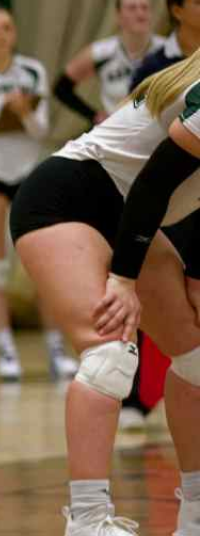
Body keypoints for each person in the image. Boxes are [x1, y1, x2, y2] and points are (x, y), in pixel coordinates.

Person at [10, 50, 200, 536]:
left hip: (130, 211)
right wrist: (123, 277)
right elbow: (157, 180)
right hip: (68, 199)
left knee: (196, 358)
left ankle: (197, 517)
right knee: (111, 353)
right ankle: (87, 526)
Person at [0, 5, 77, 381]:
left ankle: (56, 347)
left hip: (27, 173)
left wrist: (23, 112)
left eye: (6, 28)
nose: (1, 35)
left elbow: (41, 130)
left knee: (43, 263)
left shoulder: (31, 71)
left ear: (14, 33)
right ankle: (5, 348)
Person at [119, 0, 200, 429]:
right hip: (162, 195)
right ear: (177, 10)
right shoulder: (156, 65)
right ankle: (136, 396)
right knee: (153, 297)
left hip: (197, 196)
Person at [54, 0, 164, 125]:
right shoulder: (100, 52)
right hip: (115, 131)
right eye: (132, 8)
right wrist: (94, 115)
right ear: (118, 16)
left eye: (145, 8)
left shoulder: (167, 51)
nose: (140, 14)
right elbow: (61, 88)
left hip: (156, 129)